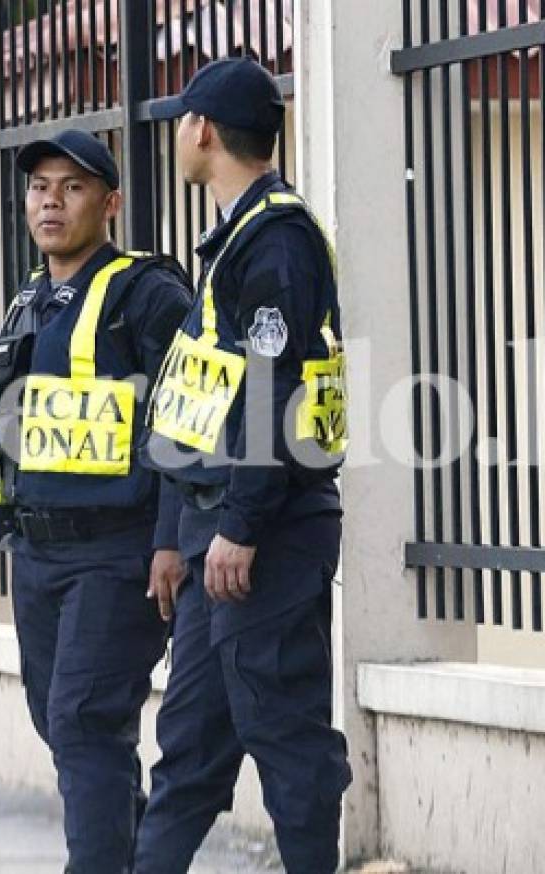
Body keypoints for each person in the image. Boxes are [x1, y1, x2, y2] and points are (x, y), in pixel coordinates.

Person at [0, 130, 191, 874]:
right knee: (67, 726)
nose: (51, 200)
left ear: (110, 203)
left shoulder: (147, 294)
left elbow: (188, 425)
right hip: (41, 558)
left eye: (72, 186)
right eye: (39, 186)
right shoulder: (28, 305)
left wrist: (172, 540)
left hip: (120, 554)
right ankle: (139, 855)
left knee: (83, 721)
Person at [135, 58, 353, 874]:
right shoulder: (235, 239)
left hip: (265, 531)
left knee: (283, 727)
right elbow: (200, 400)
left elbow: (274, 392)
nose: (177, 136)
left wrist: (239, 524)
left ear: (201, 129)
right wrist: (178, 533)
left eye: (181, 122)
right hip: (214, 527)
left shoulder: (276, 240)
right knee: (191, 739)